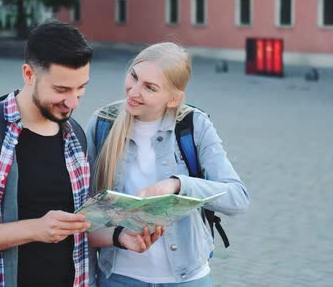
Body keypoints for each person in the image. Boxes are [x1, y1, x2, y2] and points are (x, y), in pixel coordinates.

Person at [0, 20, 100, 287]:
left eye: (81, 87)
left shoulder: (74, 135)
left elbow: (79, 229)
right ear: (28, 74)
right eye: (61, 90)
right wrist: (35, 229)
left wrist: (118, 236)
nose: (73, 101)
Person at [86, 42, 250, 286]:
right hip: (119, 278)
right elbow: (81, 212)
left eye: (150, 88)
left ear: (174, 99)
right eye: (134, 76)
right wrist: (118, 234)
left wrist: (178, 185)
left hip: (188, 279)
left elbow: (238, 199)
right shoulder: (103, 123)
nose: (133, 91)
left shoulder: (194, 125)